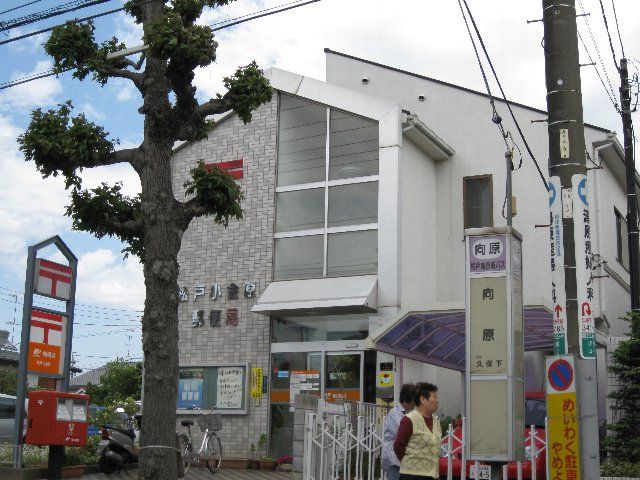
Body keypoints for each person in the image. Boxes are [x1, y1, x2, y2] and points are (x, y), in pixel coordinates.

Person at [393, 382, 441, 480]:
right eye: (434, 397)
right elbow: (398, 445)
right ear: (423, 399)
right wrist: (409, 461)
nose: (437, 401)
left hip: (431, 475)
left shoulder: (436, 421)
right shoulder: (409, 419)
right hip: (412, 475)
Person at [381, 384, 416, 480]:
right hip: (394, 457)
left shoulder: (410, 414)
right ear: (407, 399)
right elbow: (402, 433)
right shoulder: (394, 413)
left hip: (405, 458)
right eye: (414, 400)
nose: (415, 403)